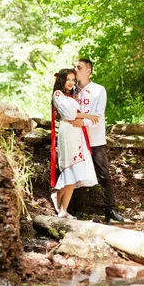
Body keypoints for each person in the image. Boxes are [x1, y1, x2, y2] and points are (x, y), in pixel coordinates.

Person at [69, 58, 124, 222]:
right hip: (76, 139)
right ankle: (77, 211)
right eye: (74, 67)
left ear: (88, 71)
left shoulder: (99, 90)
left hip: (95, 139)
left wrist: (83, 122)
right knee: (76, 175)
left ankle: (110, 210)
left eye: (78, 67)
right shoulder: (71, 91)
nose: (75, 70)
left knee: (104, 174)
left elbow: (98, 116)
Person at [50, 69, 100, 218]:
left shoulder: (69, 96)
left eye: (73, 80)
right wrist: (87, 115)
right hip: (67, 132)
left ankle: (63, 210)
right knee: (70, 168)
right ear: (62, 81)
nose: (71, 83)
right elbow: (69, 114)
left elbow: (72, 113)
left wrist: (82, 116)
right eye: (68, 80)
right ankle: (57, 198)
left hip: (76, 132)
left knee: (75, 171)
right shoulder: (58, 94)